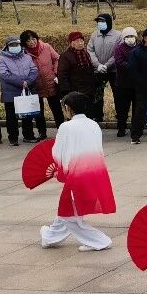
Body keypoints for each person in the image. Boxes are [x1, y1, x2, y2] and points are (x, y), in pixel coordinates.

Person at [41, 91, 115, 251]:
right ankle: (49, 237)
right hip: (96, 173)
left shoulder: (66, 127)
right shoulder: (94, 125)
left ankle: (100, 241)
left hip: (77, 176)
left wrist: (59, 171)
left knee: (69, 215)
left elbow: (58, 153)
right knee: (69, 211)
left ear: (68, 108)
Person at [0, 35, 41, 145]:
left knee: (27, 115)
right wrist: (21, 82)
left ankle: (28, 135)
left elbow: (34, 70)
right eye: (12, 45)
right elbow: (4, 74)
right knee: (11, 117)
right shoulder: (2, 58)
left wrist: (28, 81)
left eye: (17, 44)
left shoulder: (27, 56)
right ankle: (13, 138)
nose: (15, 46)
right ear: (7, 46)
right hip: (10, 91)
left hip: (25, 90)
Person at [20, 30, 61, 132]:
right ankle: (42, 132)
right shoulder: (24, 53)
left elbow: (57, 59)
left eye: (33, 39)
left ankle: (61, 130)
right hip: (35, 85)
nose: (32, 42)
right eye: (28, 40)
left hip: (51, 82)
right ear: (24, 43)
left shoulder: (46, 47)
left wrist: (55, 72)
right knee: (38, 111)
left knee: (56, 109)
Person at [87, 13, 121, 123]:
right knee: (97, 94)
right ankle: (97, 116)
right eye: (98, 22)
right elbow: (90, 51)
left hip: (113, 70)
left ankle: (120, 116)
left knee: (117, 94)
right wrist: (98, 65)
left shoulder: (118, 35)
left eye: (102, 21)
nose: (100, 23)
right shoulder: (94, 35)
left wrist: (107, 65)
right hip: (98, 70)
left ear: (109, 22)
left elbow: (118, 53)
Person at [112, 27, 139, 138]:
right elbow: (119, 62)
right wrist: (132, 66)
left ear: (135, 37)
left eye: (132, 36)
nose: (130, 38)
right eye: (127, 37)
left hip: (137, 84)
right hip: (122, 84)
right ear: (123, 38)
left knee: (137, 108)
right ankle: (121, 128)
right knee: (122, 108)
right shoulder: (119, 48)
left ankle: (135, 128)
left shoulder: (139, 47)